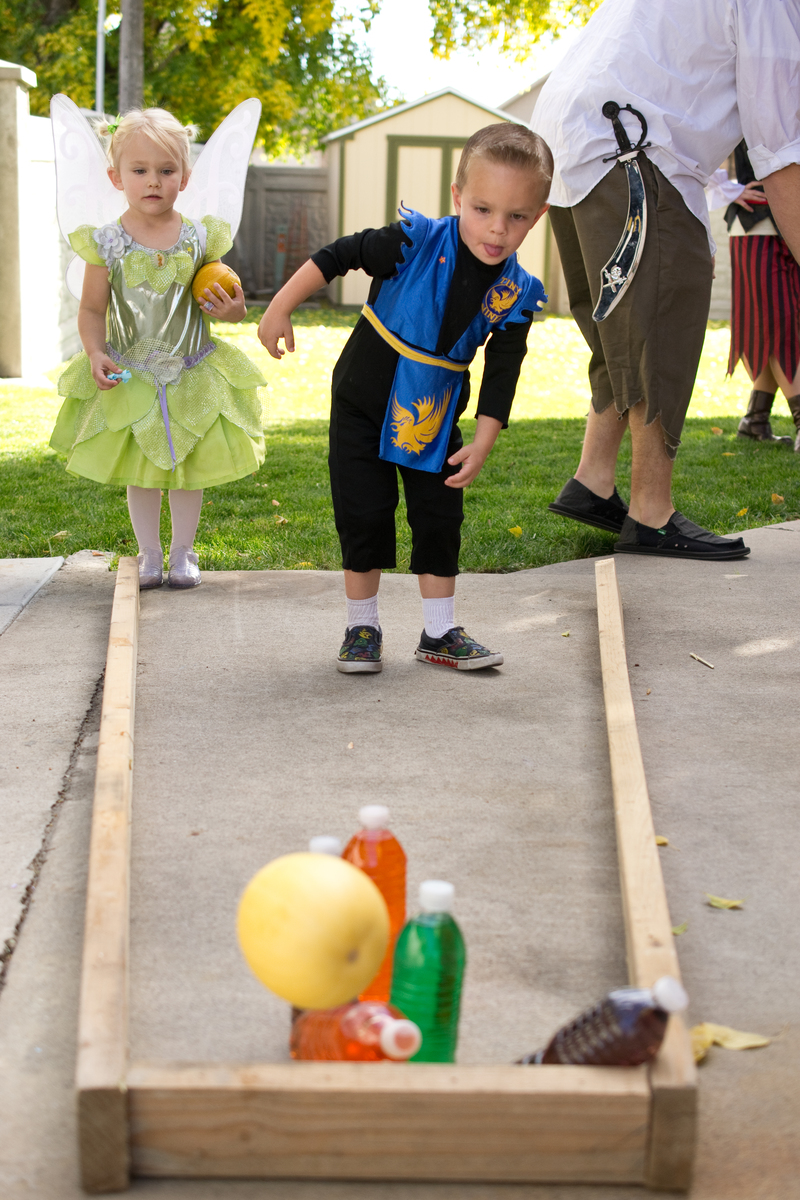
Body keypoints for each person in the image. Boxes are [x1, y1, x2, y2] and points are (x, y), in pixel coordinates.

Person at [258, 124, 550, 673]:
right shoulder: (414, 242)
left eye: (516, 216)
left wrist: (484, 439)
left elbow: (503, 371)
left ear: (538, 217)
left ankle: (439, 632)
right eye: (483, 209)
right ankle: (361, 626)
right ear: (458, 197)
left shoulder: (517, 292)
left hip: (432, 417)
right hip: (361, 401)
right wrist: (280, 306)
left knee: (439, 515)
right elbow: (340, 254)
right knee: (364, 512)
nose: (497, 228)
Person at [533, 0, 800, 561]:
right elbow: (778, 153)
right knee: (661, 325)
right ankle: (651, 512)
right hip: (630, 144)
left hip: (564, 137)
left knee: (619, 327)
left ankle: (592, 479)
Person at [50, 107, 266, 588]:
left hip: (192, 371)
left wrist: (233, 312)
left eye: (167, 171)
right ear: (116, 177)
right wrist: (95, 352)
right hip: (132, 376)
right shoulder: (106, 243)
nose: (153, 181)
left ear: (185, 178)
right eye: (140, 170)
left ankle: (184, 551)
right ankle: (149, 551)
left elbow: (223, 296)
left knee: (188, 465)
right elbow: (92, 309)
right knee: (142, 469)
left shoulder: (200, 238)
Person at [708, 143, 800, 447]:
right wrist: (728, 189)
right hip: (756, 226)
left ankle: (755, 420)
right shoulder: (750, 108)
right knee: (778, 324)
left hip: (793, 225)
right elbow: (698, 141)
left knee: (784, 325)